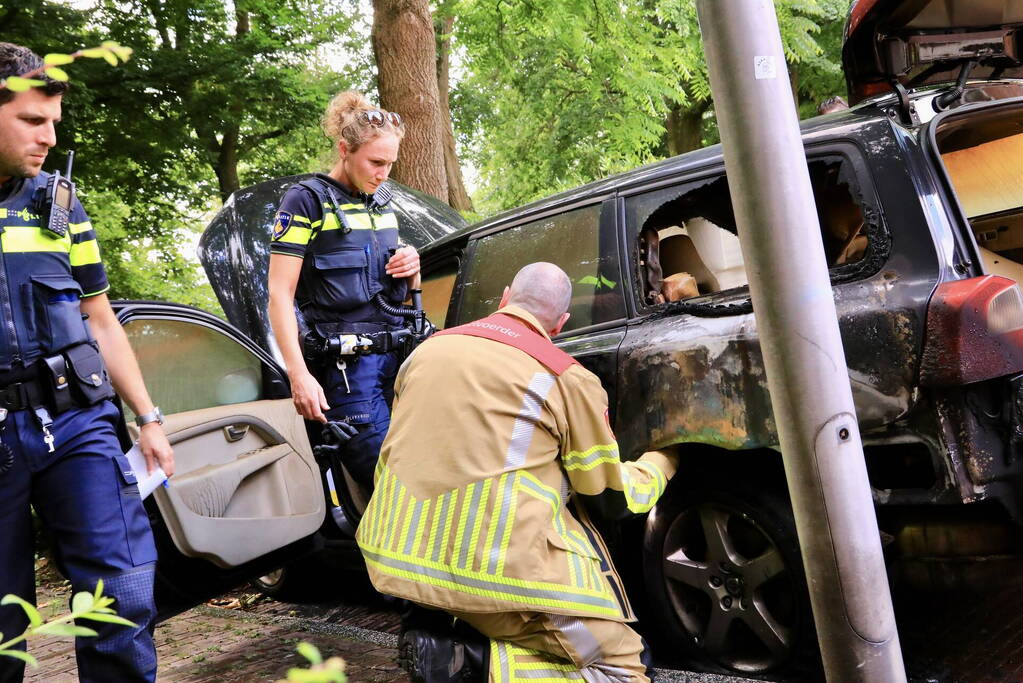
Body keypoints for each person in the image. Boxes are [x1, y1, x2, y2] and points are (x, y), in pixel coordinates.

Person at [357, 262, 680, 682]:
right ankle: (466, 660)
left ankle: (444, 632)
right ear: (560, 324)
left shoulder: (426, 351)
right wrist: (664, 459)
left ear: (505, 297)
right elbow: (608, 496)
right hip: (492, 577)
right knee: (623, 665)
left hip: (395, 559)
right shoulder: (564, 376)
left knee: (504, 627)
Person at [0, 42, 174, 682]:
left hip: (76, 420)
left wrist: (148, 418)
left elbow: (100, 319)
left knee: (120, 596)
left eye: (53, 122)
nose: (48, 137)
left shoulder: (61, 204)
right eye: (32, 120)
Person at [267, 90, 420, 489]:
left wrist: (412, 268)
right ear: (344, 150)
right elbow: (279, 295)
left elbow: (400, 295)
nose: (383, 174)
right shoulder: (305, 202)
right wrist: (299, 375)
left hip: (400, 364)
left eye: (390, 163)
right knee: (395, 489)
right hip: (348, 376)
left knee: (426, 477)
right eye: (375, 162)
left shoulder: (381, 202)